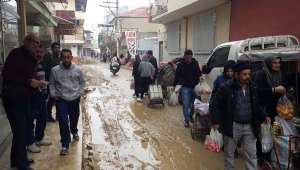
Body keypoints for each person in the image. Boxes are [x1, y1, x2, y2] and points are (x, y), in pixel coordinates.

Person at [210, 61, 271, 170]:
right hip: (232, 126)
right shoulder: (226, 88)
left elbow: (256, 104)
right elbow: (214, 104)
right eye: (244, 74)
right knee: (229, 154)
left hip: (250, 126)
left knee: (252, 154)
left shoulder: (252, 87)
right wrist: (215, 121)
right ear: (236, 74)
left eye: (249, 74)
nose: (247, 77)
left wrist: (264, 115)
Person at [1, 33, 48, 170]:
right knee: (20, 130)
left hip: (24, 98)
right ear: (25, 41)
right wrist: (29, 81)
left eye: (37, 42)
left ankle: (16, 160)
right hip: (14, 99)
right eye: (33, 42)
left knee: (21, 130)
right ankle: (22, 165)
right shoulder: (17, 54)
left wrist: (38, 82)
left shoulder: (31, 58)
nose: (35, 45)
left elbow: (27, 77)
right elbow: (8, 74)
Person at [49, 49, 86, 155]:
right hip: (61, 100)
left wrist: (80, 92)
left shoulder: (78, 70)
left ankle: (74, 131)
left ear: (71, 58)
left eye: (68, 57)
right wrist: (53, 94)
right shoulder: (55, 70)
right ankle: (65, 144)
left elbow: (82, 82)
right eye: (64, 57)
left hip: (74, 99)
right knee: (63, 122)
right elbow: (51, 84)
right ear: (61, 58)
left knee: (74, 118)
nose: (66, 59)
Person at [254, 54, 286, 165]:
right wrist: (273, 89)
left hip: (276, 111)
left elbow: (284, 87)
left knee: (276, 133)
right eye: (274, 62)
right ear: (269, 63)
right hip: (264, 110)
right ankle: (261, 157)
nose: (277, 65)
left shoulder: (280, 74)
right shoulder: (261, 74)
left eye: (278, 62)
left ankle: (273, 155)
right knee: (263, 133)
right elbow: (257, 90)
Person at [26, 44, 52, 153]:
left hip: (41, 94)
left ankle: (39, 138)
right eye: (37, 52)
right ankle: (30, 143)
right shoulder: (29, 63)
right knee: (30, 119)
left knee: (43, 116)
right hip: (32, 95)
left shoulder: (40, 63)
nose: (39, 54)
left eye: (41, 52)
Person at [171, 50, 203, 127]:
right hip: (185, 87)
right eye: (187, 57)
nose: (189, 58)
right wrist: (174, 85)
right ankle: (187, 120)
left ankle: (190, 115)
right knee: (185, 104)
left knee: (194, 104)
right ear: (184, 56)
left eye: (190, 57)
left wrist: (200, 76)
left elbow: (198, 72)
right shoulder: (180, 65)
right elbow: (177, 76)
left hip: (194, 87)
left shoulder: (195, 63)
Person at [43, 42, 61, 122]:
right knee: (50, 99)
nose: (57, 49)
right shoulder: (48, 56)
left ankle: (58, 115)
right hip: (49, 82)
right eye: (55, 48)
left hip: (58, 82)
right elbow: (44, 68)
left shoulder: (60, 57)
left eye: (58, 47)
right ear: (52, 48)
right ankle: (48, 115)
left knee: (57, 99)